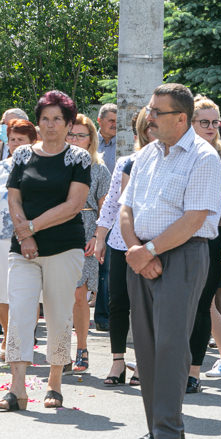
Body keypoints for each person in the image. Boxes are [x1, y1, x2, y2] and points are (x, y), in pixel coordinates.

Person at [119, 83, 221, 439]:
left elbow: (195, 217)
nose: (150, 117)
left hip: (182, 254)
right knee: (144, 344)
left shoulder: (203, 157)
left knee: (170, 344)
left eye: (157, 112)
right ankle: (156, 426)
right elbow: (126, 207)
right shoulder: (147, 155)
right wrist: (136, 250)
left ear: (181, 118)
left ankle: (170, 434)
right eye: (150, 110)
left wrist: (149, 251)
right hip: (142, 255)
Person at [0, 91, 89, 413]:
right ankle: (17, 388)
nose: (51, 125)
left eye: (58, 119)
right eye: (45, 118)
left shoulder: (78, 158)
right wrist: (24, 236)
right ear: (38, 122)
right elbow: (14, 198)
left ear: (68, 124)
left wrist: (32, 228)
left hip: (64, 247)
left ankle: (54, 382)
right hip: (22, 249)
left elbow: (74, 205)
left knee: (57, 314)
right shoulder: (23, 154)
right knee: (20, 312)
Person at [93, 107, 151, 386]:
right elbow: (112, 204)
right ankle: (117, 361)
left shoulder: (174, 161)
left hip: (152, 243)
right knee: (118, 303)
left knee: (145, 306)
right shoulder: (126, 161)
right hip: (119, 242)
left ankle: (143, 362)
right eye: (147, 126)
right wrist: (101, 237)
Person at [187, 96, 221, 390]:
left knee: (201, 303)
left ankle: (196, 370)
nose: (210, 127)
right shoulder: (180, 153)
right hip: (182, 234)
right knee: (199, 303)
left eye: (214, 122)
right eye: (203, 122)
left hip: (215, 234)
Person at [68, 114, 110, 372]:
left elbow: (105, 209)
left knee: (79, 295)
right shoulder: (56, 164)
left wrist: (97, 237)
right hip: (57, 232)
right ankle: (60, 350)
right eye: (71, 134)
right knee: (57, 296)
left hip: (86, 233)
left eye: (81, 135)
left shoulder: (99, 168)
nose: (75, 139)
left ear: (91, 139)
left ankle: (82, 347)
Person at [0, 119, 38, 361]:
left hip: (30, 237)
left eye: (20, 139)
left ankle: (23, 338)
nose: (15, 144)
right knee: (2, 292)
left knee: (28, 292)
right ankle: (7, 336)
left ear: (32, 141)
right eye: (12, 139)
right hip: (2, 237)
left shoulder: (38, 167)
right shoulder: (2, 166)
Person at [93, 103, 118, 333]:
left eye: (117, 120)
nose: (114, 124)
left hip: (117, 212)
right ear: (99, 121)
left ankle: (104, 316)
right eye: (110, 120)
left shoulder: (123, 145)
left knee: (108, 267)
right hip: (94, 212)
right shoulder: (92, 143)